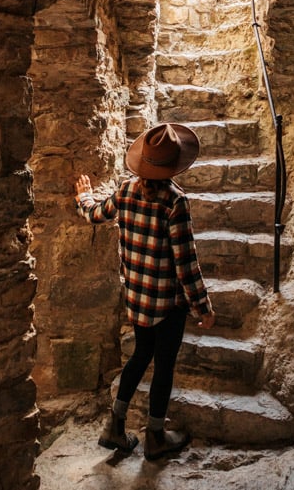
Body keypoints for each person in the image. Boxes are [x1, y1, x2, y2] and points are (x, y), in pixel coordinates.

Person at [74, 122, 216, 461]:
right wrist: (202, 306)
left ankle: (115, 426)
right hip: (168, 304)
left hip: (138, 299)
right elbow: (186, 262)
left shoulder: (126, 191)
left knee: (140, 356)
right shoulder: (175, 202)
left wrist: (83, 197)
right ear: (174, 165)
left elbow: (95, 213)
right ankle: (155, 435)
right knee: (163, 366)